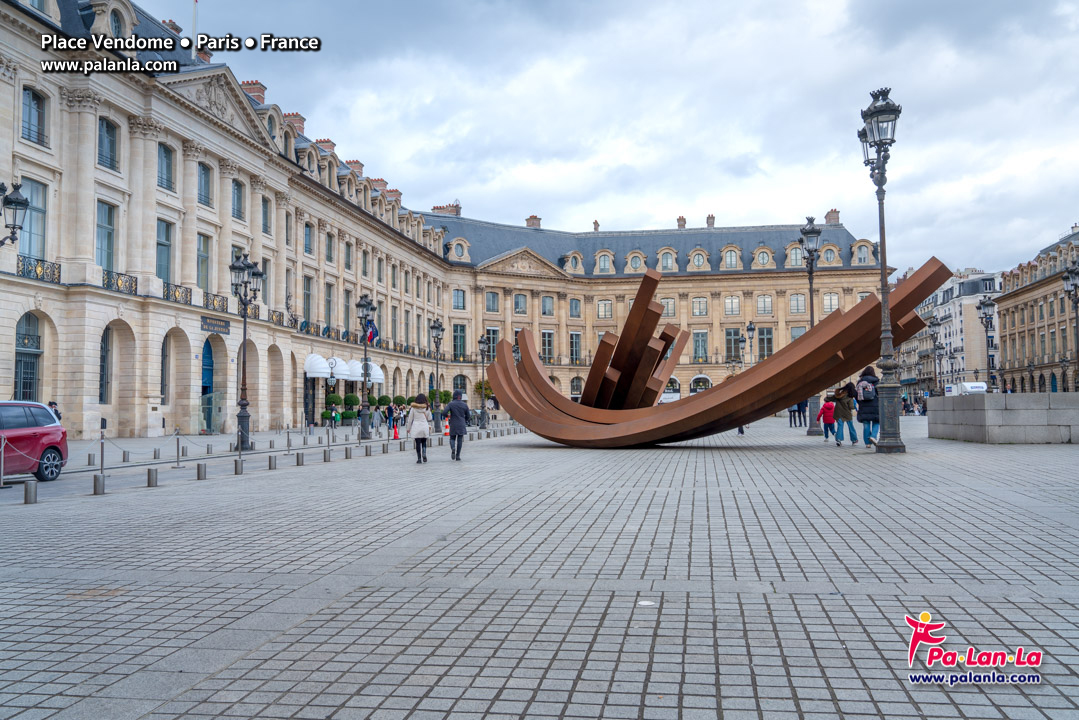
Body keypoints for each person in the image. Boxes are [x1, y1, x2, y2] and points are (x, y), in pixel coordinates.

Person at [856, 366, 880, 447]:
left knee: (866, 424)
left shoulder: (860, 382)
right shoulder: (876, 382)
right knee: (876, 422)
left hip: (863, 406)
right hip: (875, 405)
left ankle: (867, 443)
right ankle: (873, 436)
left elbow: (857, 395)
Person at [406, 393, 433, 464]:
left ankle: (419, 459)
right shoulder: (427, 408)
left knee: (418, 443)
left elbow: (410, 419)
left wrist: (408, 428)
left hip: (416, 427)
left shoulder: (413, 408)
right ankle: (424, 452)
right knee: (424, 441)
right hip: (424, 426)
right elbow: (430, 418)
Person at [445, 390, 469, 460]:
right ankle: (458, 456)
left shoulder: (451, 404)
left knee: (452, 438)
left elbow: (444, 412)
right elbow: (468, 415)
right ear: (460, 396)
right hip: (461, 423)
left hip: (453, 423)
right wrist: (464, 420)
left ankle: (453, 448)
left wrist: (448, 415)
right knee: (460, 440)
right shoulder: (464, 404)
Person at [833, 383, 858, 447]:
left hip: (838, 413)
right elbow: (851, 406)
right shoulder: (850, 397)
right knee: (850, 426)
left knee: (840, 426)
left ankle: (839, 439)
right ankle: (854, 440)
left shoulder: (839, 394)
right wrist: (855, 407)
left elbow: (830, 398)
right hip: (847, 413)